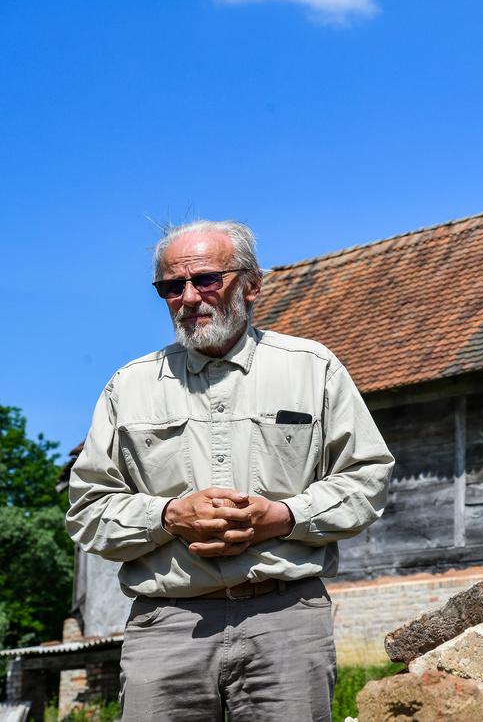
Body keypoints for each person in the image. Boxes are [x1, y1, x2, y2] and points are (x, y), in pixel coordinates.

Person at [67, 220, 395, 721]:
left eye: (206, 280)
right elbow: (88, 509)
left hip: (285, 618)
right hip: (167, 625)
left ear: (252, 285)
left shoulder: (313, 368)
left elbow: (366, 477)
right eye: (172, 287)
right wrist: (169, 516)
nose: (189, 297)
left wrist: (285, 516)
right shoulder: (128, 387)